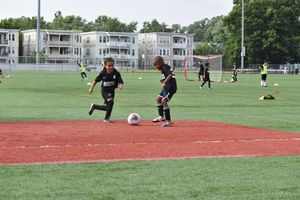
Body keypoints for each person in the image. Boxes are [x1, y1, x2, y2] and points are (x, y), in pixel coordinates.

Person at [88, 58, 124, 123]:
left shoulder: (116, 73)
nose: (111, 67)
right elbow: (96, 80)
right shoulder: (103, 73)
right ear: (105, 66)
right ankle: (106, 119)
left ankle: (94, 106)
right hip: (105, 91)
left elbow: (120, 81)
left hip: (112, 91)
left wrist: (120, 85)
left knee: (108, 107)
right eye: (109, 66)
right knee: (111, 102)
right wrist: (91, 88)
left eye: (112, 65)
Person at [152, 56, 177, 127]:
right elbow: (164, 78)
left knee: (164, 101)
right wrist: (162, 81)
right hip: (166, 88)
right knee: (158, 99)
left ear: (160, 63)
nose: (155, 67)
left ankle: (168, 120)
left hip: (170, 88)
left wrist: (164, 82)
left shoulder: (165, 66)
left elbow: (170, 74)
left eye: (156, 65)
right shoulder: (162, 69)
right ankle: (161, 116)